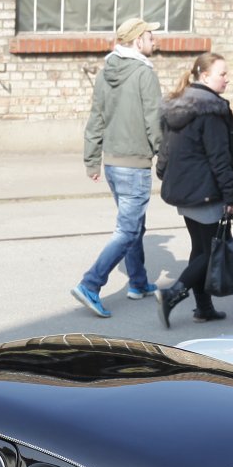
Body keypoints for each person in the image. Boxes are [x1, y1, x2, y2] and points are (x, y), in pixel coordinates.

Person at [70, 17, 165, 320]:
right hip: (134, 165)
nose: (154, 41)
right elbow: (154, 120)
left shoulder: (105, 72)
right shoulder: (144, 74)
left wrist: (92, 160)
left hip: (112, 164)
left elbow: (96, 118)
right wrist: (165, 157)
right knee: (127, 230)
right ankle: (90, 284)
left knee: (135, 225)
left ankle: (137, 282)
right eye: (150, 36)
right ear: (137, 41)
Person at [155, 52, 233, 327]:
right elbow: (220, 157)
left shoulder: (180, 103)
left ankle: (204, 308)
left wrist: (163, 172)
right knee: (210, 253)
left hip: (185, 190)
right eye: (222, 74)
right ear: (205, 76)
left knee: (200, 248)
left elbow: (165, 147)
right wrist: (231, 195)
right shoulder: (211, 109)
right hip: (205, 190)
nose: (227, 78)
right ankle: (172, 294)